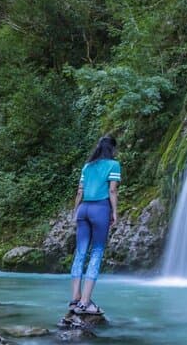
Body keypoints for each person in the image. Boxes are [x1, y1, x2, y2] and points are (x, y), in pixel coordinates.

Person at [69, 135, 121, 314]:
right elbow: (112, 190)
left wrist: (75, 212)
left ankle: (75, 298)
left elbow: (79, 191)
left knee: (80, 253)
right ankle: (85, 302)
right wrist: (114, 212)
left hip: (84, 209)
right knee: (97, 252)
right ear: (112, 149)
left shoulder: (87, 166)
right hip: (100, 209)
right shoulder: (113, 165)